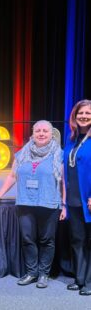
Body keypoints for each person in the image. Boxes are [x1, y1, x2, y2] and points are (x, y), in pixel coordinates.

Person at [0, 120, 66, 288]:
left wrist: (64, 205)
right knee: (28, 239)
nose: (41, 134)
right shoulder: (22, 153)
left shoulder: (59, 155)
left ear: (52, 134)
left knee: (46, 240)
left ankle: (44, 274)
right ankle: (31, 273)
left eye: (45, 131)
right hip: (25, 203)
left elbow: (63, 182)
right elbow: (12, 176)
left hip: (49, 204)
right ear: (33, 133)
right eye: (38, 131)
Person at [64, 99, 91, 296]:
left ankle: (89, 282)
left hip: (89, 200)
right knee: (78, 240)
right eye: (81, 113)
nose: (84, 116)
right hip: (73, 200)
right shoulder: (71, 138)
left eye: (88, 113)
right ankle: (79, 278)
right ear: (75, 115)